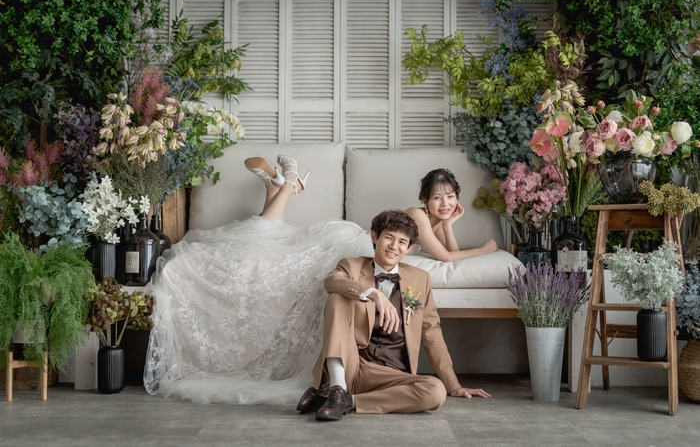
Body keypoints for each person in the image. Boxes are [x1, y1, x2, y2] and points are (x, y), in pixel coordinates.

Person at [143, 155, 373, 405]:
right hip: (333, 240)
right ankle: (286, 186)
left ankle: (284, 187)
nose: (394, 246)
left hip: (338, 247)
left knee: (252, 253)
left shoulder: (360, 252)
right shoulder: (363, 241)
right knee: (258, 247)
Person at [297, 210, 491, 421]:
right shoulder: (352, 266)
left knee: (435, 390)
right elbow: (331, 282)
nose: (394, 246)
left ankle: (347, 401)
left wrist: (454, 386)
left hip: (392, 374)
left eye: (402, 242)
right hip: (351, 365)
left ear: (408, 248)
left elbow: (431, 333)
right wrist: (374, 294)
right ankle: (337, 388)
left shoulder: (420, 279)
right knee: (337, 298)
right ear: (374, 237)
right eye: (388, 237)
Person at [405, 168, 498, 261]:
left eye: (450, 196)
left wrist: (447, 225)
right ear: (425, 200)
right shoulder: (417, 215)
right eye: (437, 197)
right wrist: (482, 250)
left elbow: (454, 254)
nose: (445, 204)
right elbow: (447, 257)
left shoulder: (437, 223)